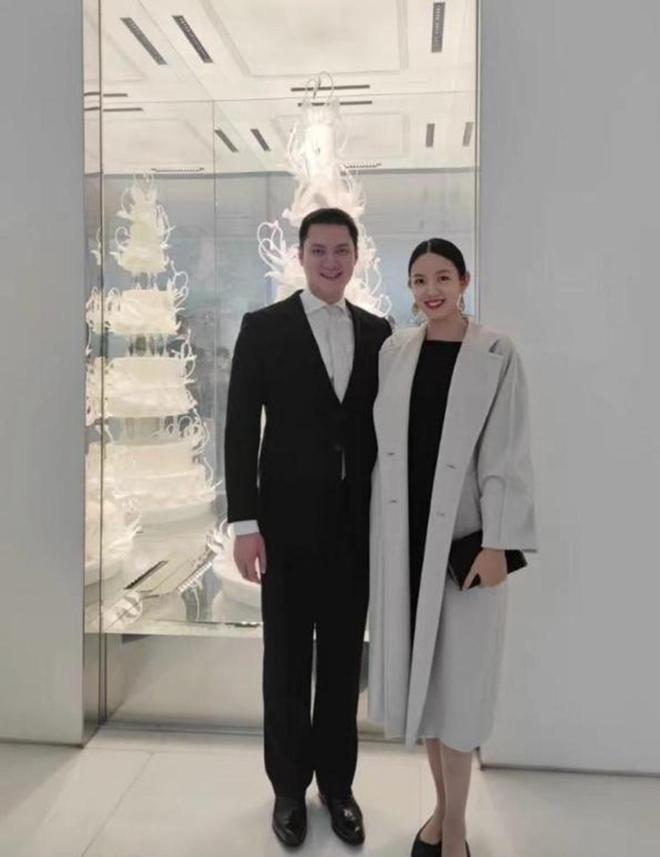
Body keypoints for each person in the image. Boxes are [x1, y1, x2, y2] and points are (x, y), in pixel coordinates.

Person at [224, 207, 391, 848]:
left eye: (341, 250)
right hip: (285, 529)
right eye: (318, 250)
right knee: (287, 662)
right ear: (300, 256)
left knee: (344, 663)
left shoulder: (378, 332)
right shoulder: (264, 328)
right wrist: (245, 523)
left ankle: (338, 787)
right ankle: (289, 790)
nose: (330, 261)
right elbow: (241, 430)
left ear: (356, 256)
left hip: (353, 530)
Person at [368, 238, 538, 857]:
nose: (430, 290)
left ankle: (457, 828)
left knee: (460, 688)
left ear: (464, 281)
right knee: (427, 690)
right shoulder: (395, 351)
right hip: (405, 539)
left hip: (465, 542)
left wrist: (497, 544)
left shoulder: (496, 352)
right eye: (419, 280)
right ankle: (441, 812)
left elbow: (506, 454)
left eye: (443, 277)